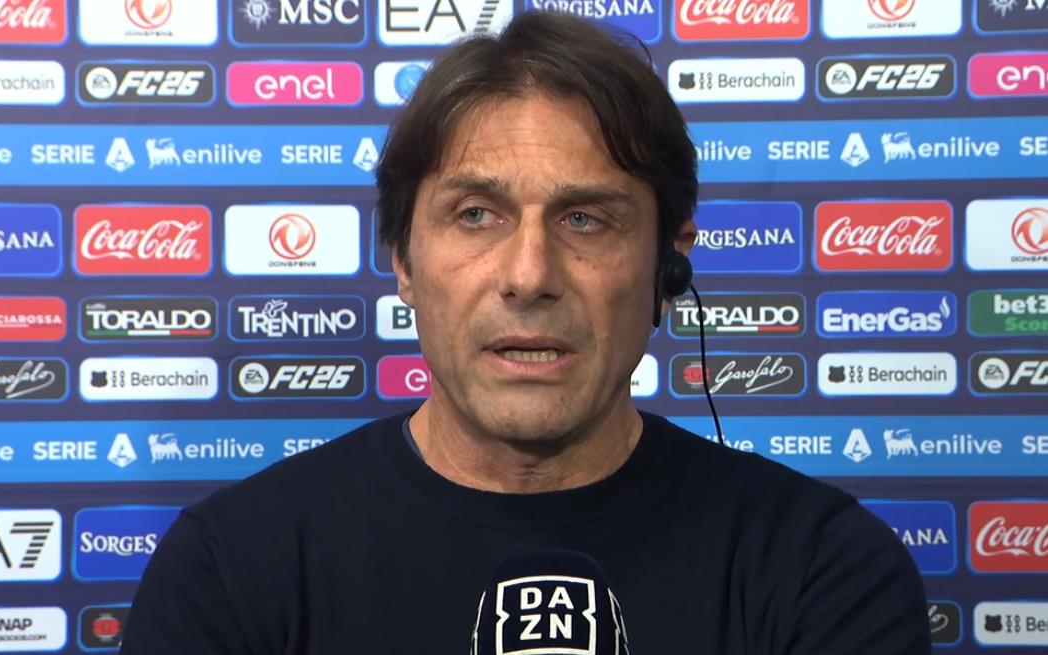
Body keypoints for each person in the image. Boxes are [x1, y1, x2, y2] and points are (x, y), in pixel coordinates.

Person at [121, 11, 931, 654]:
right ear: (403, 261)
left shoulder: (823, 568)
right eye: (476, 215)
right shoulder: (228, 568)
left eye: (585, 218)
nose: (529, 273)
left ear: (667, 264)